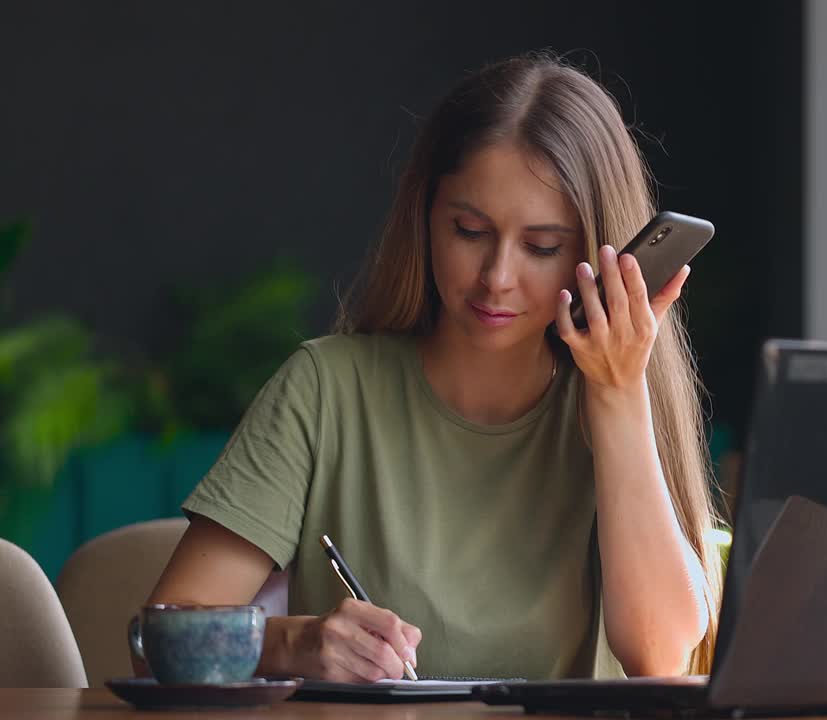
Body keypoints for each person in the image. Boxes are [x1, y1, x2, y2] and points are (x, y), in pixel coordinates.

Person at [146, 52, 723, 683]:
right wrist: (294, 645)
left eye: (542, 247)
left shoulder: (615, 412)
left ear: (597, 256)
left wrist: (618, 391)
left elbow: (660, 655)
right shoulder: (327, 388)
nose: (496, 278)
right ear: (426, 215)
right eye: (470, 231)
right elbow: (162, 638)